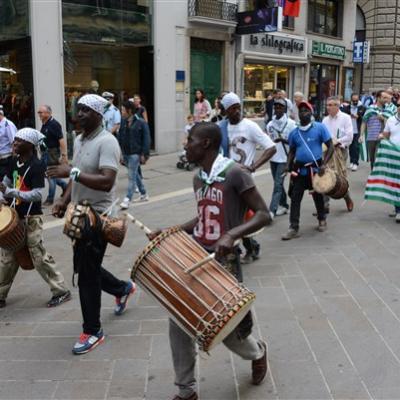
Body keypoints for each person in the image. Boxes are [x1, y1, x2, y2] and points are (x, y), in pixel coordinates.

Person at [148, 122, 270, 400]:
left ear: (205, 144)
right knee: (179, 320)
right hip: (195, 257)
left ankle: (258, 351)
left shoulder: (236, 174)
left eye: (190, 139)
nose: (185, 144)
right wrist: (172, 231)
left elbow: (264, 214)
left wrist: (232, 234)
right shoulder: (198, 178)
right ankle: (187, 390)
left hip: (224, 264)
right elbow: (203, 218)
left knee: (225, 331)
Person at [48, 94, 136, 355]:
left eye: (86, 110)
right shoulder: (80, 139)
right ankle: (123, 288)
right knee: (87, 266)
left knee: (86, 273)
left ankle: (93, 330)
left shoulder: (107, 142)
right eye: (79, 110)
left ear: (99, 114)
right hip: (78, 213)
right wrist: (64, 200)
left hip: (96, 218)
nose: (80, 114)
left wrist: (71, 173)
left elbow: (107, 180)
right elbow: (78, 176)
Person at [0, 128, 71, 308]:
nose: (14, 143)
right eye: (14, 140)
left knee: (38, 254)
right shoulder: (14, 161)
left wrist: (11, 192)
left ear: (30, 145)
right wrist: (2, 197)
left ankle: (61, 290)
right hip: (15, 215)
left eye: (18, 141)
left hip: (32, 217)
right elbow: (7, 182)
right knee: (8, 258)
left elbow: (38, 194)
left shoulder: (37, 165)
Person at [221, 92, 276, 264]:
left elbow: (271, 147)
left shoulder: (250, 126)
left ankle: (247, 247)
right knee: (233, 217)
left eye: (238, 107)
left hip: (245, 181)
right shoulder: (222, 127)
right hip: (226, 179)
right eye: (232, 109)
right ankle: (247, 247)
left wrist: (254, 166)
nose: (237, 111)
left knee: (238, 217)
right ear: (225, 111)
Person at [281, 102, 334, 240]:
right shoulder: (294, 133)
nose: (303, 113)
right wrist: (288, 165)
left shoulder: (319, 128)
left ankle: (322, 219)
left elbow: (330, 146)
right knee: (295, 198)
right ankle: (293, 227)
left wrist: (324, 164)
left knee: (318, 196)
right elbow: (292, 152)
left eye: (306, 110)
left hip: (316, 170)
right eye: (301, 111)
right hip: (300, 170)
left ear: (311, 113)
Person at [368, 98, 400, 222]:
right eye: (398, 105)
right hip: (393, 156)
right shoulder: (391, 120)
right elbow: (386, 134)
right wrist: (382, 136)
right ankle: (398, 209)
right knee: (395, 183)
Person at [322, 96, 354, 213]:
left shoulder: (345, 118)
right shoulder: (325, 120)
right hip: (327, 152)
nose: (328, 107)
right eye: (327, 105)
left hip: (340, 150)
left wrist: (336, 142)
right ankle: (325, 205)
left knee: (340, 177)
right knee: (326, 176)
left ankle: (347, 197)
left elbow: (349, 136)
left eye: (330, 105)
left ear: (337, 106)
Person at [266, 98, 296, 217]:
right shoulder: (270, 125)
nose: (278, 109)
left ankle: (271, 211)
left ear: (285, 109)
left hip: (285, 159)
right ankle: (284, 205)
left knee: (277, 185)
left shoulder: (291, 124)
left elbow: (295, 143)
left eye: (280, 107)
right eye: (276, 107)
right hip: (273, 158)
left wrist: (282, 140)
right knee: (278, 183)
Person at [118, 101, 150, 209]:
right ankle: (144, 194)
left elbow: (146, 139)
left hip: (135, 154)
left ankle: (127, 199)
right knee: (135, 174)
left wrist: (144, 154)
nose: (121, 112)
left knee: (131, 176)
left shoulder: (141, 122)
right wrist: (120, 153)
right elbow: (120, 137)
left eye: (123, 110)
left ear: (129, 111)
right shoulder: (123, 121)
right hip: (126, 153)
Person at [38, 105, 68, 206]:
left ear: (48, 113)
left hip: (52, 153)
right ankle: (66, 186)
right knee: (49, 175)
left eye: (41, 112)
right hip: (45, 153)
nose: (39, 114)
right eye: (39, 112)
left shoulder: (54, 124)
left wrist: (64, 155)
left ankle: (50, 199)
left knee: (51, 175)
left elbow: (61, 140)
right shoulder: (45, 123)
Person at [360, 90, 393, 168]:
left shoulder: (389, 110)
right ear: (378, 98)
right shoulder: (370, 108)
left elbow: (391, 123)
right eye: (384, 97)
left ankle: (377, 177)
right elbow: (364, 122)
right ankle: (373, 176)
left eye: (386, 98)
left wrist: (383, 119)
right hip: (371, 137)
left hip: (383, 138)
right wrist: (361, 135)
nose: (385, 100)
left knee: (378, 158)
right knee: (372, 160)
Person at [341, 94, 365, 171]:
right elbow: (343, 115)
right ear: (351, 100)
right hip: (349, 130)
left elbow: (365, 119)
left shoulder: (362, 108)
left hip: (357, 130)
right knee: (351, 147)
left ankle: (355, 163)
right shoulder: (347, 108)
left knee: (356, 147)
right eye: (353, 100)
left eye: (356, 100)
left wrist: (359, 117)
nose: (355, 102)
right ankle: (351, 162)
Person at [0, 106, 17, 180]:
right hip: (2, 159)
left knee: (6, 182)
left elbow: (14, 142)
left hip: (7, 159)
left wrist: (15, 160)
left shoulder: (8, 125)